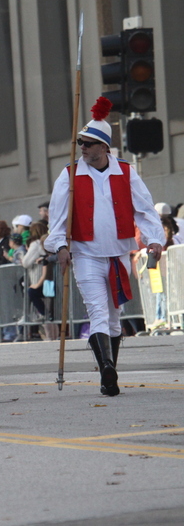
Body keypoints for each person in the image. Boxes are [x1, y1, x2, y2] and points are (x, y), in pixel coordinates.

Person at [45, 97, 164, 397]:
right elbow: (57, 217)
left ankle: (108, 371)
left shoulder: (126, 172)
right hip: (85, 255)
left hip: (119, 256)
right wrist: (60, 245)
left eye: (88, 143)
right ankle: (107, 368)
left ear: (103, 147)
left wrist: (154, 239)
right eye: (81, 142)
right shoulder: (69, 175)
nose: (82, 148)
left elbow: (145, 210)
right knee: (97, 311)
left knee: (114, 317)